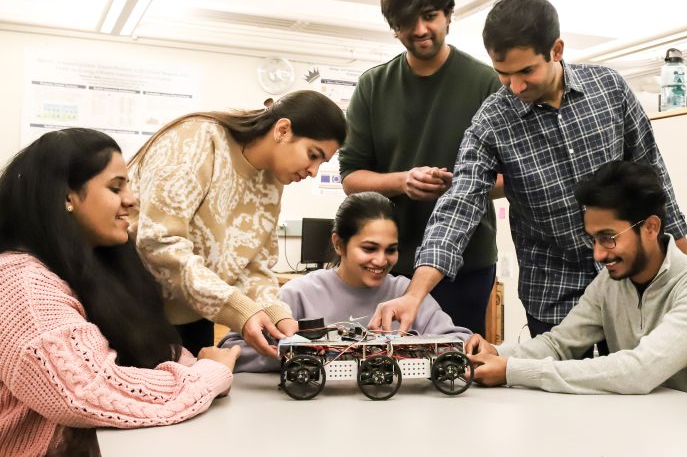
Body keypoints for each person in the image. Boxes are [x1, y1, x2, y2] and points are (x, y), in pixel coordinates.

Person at [371, 0, 687, 340]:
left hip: (629, 278)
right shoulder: (491, 122)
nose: (516, 87)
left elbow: (654, 178)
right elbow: (457, 208)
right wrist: (414, 295)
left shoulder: (610, 89)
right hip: (554, 294)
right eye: (503, 74)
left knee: (637, 382)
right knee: (554, 386)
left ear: (556, 50)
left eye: (526, 71)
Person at [0, 129, 241, 456]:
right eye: (116, 187)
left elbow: (152, 349)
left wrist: (196, 367)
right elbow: (87, 391)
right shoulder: (20, 283)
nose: (132, 199)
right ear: (66, 197)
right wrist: (208, 375)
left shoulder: (98, 265)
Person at [464, 161, 687, 406]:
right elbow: (559, 344)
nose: (598, 254)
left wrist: (512, 370)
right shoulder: (609, 284)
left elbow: (640, 370)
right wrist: (496, 353)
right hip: (649, 431)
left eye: (608, 237)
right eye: (593, 239)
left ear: (651, 227)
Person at [339, 0, 502, 336]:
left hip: (467, 262)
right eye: (406, 22)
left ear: (448, 16)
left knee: (456, 364)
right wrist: (402, 181)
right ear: (393, 27)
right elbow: (351, 179)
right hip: (389, 262)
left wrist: (459, 186)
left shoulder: (486, 83)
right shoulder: (373, 86)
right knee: (386, 365)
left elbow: (510, 177)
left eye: (430, 16)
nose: (420, 30)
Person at [128, 90, 346, 357]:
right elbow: (158, 243)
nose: (313, 171)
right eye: (313, 155)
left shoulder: (272, 180)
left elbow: (253, 266)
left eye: (322, 163)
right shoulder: (196, 140)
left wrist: (278, 317)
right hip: (133, 312)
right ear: (283, 130)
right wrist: (236, 307)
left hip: (195, 317)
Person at [219, 191, 471, 372]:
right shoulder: (300, 293)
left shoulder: (406, 292)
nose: (381, 260)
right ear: (338, 243)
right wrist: (305, 355)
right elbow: (231, 349)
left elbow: (458, 341)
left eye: (390, 250)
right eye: (369, 248)